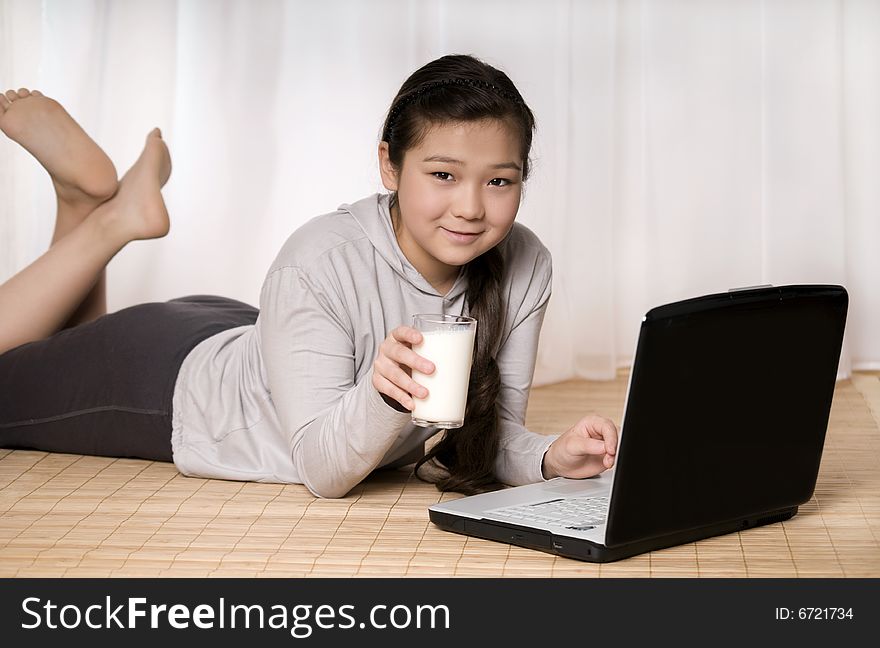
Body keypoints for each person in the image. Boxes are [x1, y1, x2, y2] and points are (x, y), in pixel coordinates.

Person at [0, 54, 617, 499]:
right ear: (389, 165)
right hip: (168, 383)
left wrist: (549, 456)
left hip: (253, 335)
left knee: (52, 351)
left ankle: (81, 198)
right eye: (444, 175)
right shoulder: (320, 257)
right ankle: (107, 222)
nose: (472, 207)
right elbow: (324, 471)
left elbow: (481, 438)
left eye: (500, 181)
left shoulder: (524, 262)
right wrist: (385, 393)